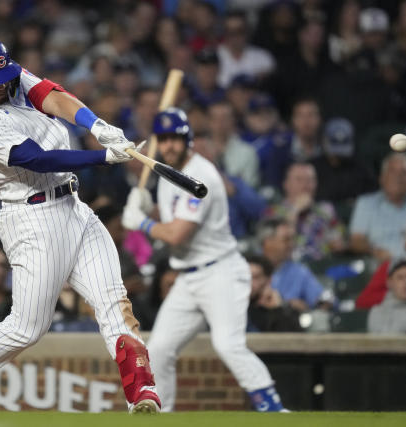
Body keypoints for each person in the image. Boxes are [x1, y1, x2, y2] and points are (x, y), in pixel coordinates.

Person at [0, 35, 160, 415]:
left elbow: (51, 94)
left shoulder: (3, 75)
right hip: (32, 219)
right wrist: (102, 157)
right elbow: (38, 159)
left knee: (113, 301)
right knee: (26, 328)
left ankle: (142, 391)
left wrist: (95, 124)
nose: (3, 86)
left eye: (5, 77)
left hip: (73, 206)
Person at [122, 107, 286, 412]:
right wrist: (145, 208)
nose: (170, 145)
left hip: (220, 272)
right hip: (190, 277)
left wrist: (141, 222)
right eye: (164, 139)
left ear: (189, 140)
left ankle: (274, 409)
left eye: (176, 139)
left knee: (228, 345)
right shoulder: (168, 173)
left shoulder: (201, 175)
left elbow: (177, 235)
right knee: (158, 348)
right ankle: (162, 413)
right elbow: (172, 218)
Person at [266, 162, 346, 262]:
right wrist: (295, 210)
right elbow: (276, 248)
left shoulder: (326, 209)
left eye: (310, 180)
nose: (305, 185)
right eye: (299, 180)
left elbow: (339, 236)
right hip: (290, 266)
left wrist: (339, 243)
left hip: (324, 265)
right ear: (286, 184)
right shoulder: (273, 212)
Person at [258, 217, 332, 312]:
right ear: (268, 242)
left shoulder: (298, 271)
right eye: (286, 240)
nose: (291, 244)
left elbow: (323, 300)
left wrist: (302, 307)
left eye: (292, 239)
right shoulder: (249, 268)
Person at [245, 254, 302, 333]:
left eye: (256, 277)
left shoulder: (281, 308)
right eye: (245, 277)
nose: (249, 282)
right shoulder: (231, 306)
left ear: (268, 280)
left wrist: (277, 310)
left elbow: (294, 339)